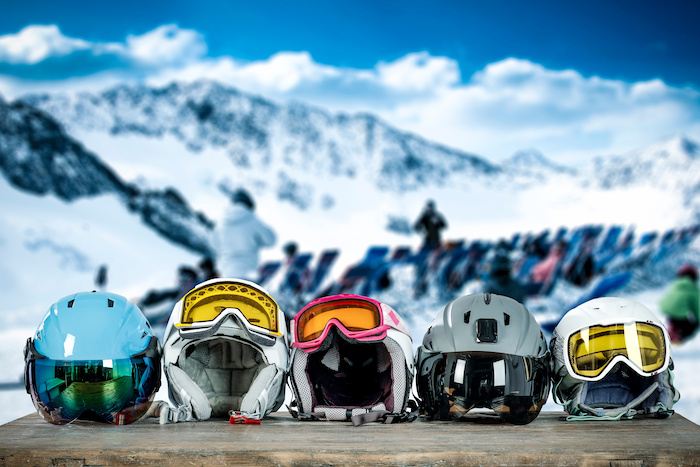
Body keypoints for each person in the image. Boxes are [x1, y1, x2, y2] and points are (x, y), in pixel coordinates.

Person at [213, 189, 276, 281]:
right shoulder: (252, 220)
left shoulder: (220, 223)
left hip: (226, 273)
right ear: (249, 204)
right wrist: (257, 240)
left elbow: (215, 245)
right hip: (248, 273)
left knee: (229, 295)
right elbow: (271, 240)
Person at [413, 200, 447, 297]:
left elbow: (444, 225)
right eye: (428, 208)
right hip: (427, 243)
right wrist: (423, 230)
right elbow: (416, 226)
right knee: (422, 265)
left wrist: (438, 221)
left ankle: (434, 288)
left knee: (435, 266)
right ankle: (419, 287)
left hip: (436, 244)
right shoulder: (424, 216)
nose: (429, 209)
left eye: (430, 207)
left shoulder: (437, 215)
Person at [659, 264, 699, 343]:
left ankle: (671, 334)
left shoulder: (676, 284)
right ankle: (678, 339)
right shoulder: (693, 288)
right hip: (678, 312)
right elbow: (697, 307)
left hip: (666, 308)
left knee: (677, 320)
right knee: (691, 325)